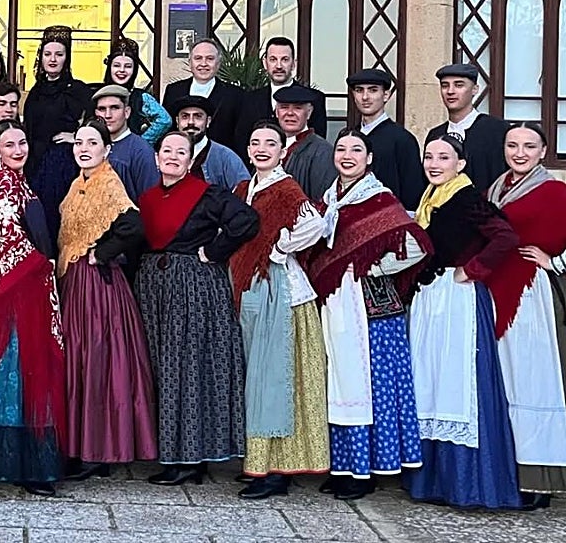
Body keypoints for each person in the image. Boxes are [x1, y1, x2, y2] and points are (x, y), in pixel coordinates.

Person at [307, 128, 431, 501]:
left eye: (356, 150)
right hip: (335, 301)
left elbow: (416, 246)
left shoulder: (379, 199)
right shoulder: (330, 200)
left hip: (369, 307)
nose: (347, 155)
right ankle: (342, 465)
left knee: (369, 385)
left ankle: (368, 470)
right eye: (341, 149)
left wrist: (375, 267)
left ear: (369, 158)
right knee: (339, 383)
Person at [404, 133, 522, 509]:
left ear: (461, 164)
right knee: (431, 380)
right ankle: (430, 481)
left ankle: (469, 483)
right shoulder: (430, 200)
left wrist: (472, 270)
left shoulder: (467, 198)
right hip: (431, 299)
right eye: (429, 157)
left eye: (443, 157)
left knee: (458, 383)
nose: (434, 163)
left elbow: (505, 237)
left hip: (458, 301)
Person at [137, 131, 260, 485]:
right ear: (157, 158)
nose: (173, 157)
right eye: (167, 151)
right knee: (164, 370)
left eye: (181, 152)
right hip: (156, 292)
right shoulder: (147, 198)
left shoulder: (206, 194)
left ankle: (188, 460)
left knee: (189, 369)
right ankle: (178, 454)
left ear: (191, 161)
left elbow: (246, 222)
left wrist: (213, 252)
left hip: (194, 291)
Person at [230, 122, 328, 499]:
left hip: (281, 292)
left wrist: (278, 248)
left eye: (270, 143)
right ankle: (259, 461)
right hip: (252, 290)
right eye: (255, 142)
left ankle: (278, 470)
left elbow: (314, 225)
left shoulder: (287, 189)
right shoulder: (244, 189)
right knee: (257, 376)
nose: (261, 149)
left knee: (275, 379)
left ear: (282, 150)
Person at [57, 120, 158, 481]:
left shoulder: (109, 182)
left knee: (97, 361)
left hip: (98, 287)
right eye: (79, 142)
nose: (84, 148)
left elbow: (134, 225)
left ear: (106, 149)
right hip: (75, 281)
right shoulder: (78, 183)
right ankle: (79, 445)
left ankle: (97, 450)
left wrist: (102, 252)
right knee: (78, 361)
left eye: (92, 143)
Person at [0, 121, 66, 497]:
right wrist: (45, 263)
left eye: (22, 142)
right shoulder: (3, 186)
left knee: (27, 367)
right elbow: (10, 241)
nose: (17, 149)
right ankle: (23, 464)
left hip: (28, 284)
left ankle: (28, 462)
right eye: (9, 145)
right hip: (17, 286)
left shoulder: (20, 182)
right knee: (20, 368)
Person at [486, 123, 566, 510]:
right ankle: (508, 473)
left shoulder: (556, 192)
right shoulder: (494, 189)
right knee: (505, 382)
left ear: (544, 150)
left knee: (534, 383)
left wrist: (556, 262)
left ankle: (540, 479)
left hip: (532, 298)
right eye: (513, 145)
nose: (520, 152)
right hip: (496, 293)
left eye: (529, 146)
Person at [26, 25, 95, 239]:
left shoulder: (77, 89)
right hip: (36, 163)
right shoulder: (35, 92)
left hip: (64, 163)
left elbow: (95, 123)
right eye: (48, 54)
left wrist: (75, 137)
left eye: (59, 54)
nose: (53, 59)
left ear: (67, 58)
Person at [233, 36, 329, 162]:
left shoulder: (314, 98)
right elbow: (241, 142)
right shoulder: (249, 99)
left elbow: (317, 142)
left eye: (284, 59)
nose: (278, 66)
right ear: (265, 63)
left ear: (294, 64)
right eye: (273, 59)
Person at [346, 69, 423, 211]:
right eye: (359, 90)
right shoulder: (348, 137)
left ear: (386, 95)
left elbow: (413, 193)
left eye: (373, 90)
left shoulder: (403, 139)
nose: (365, 97)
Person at [424, 63, 508, 190]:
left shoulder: (496, 130)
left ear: (475, 89)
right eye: (445, 86)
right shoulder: (435, 135)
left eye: (459, 85)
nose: (450, 91)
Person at [162, 38, 245, 148]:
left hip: (219, 159)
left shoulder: (235, 95)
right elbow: (168, 128)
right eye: (198, 58)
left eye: (210, 59)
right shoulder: (174, 91)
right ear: (190, 63)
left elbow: (239, 135)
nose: (203, 64)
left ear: (218, 63)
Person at [100, 37, 172, 144]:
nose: (122, 70)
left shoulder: (142, 98)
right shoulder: (98, 95)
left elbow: (165, 121)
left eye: (128, 66)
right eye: (116, 65)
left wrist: (141, 141)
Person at [93, 84, 160, 201]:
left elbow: (150, 199)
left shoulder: (140, 150)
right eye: (102, 109)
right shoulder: (92, 147)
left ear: (127, 112)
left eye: (114, 108)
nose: (107, 115)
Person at [170, 95, 249, 191]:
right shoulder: (166, 156)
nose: (191, 122)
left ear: (208, 121)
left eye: (198, 116)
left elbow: (244, 194)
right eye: (185, 116)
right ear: (177, 121)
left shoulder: (226, 158)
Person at [274, 85, 336, 200]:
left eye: (298, 108)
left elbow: (323, 201)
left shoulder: (323, 152)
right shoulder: (269, 147)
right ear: (277, 112)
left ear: (309, 113)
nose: (290, 113)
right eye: (284, 107)